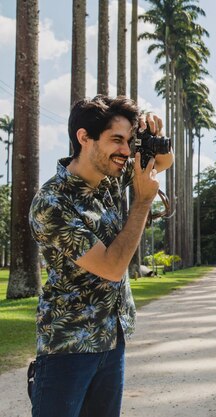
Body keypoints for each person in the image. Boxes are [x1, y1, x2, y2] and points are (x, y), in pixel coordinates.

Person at [28, 95, 173, 417]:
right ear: (84, 137)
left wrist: (150, 137)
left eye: (128, 141)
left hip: (111, 337)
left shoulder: (109, 178)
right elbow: (110, 267)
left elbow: (162, 162)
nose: (125, 150)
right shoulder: (51, 204)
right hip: (69, 345)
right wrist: (142, 203)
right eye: (116, 140)